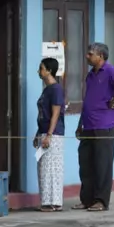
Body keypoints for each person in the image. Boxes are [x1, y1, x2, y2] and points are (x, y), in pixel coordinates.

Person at [73, 43, 114, 212]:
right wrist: (80, 123)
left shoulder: (110, 71)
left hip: (105, 125)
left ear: (101, 56)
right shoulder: (90, 75)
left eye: (90, 54)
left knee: (102, 164)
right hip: (88, 125)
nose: (87, 56)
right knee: (86, 163)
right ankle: (87, 199)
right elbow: (88, 100)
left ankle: (101, 201)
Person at [33, 58, 66, 212]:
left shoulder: (56, 89)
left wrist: (49, 135)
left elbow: (55, 113)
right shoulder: (46, 89)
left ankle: (52, 202)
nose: (39, 71)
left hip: (53, 134)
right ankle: (48, 201)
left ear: (49, 70)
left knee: (51, 168)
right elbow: (43, 115)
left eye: (41, 68)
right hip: (44, 132)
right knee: (43, 168)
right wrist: (38, 134)